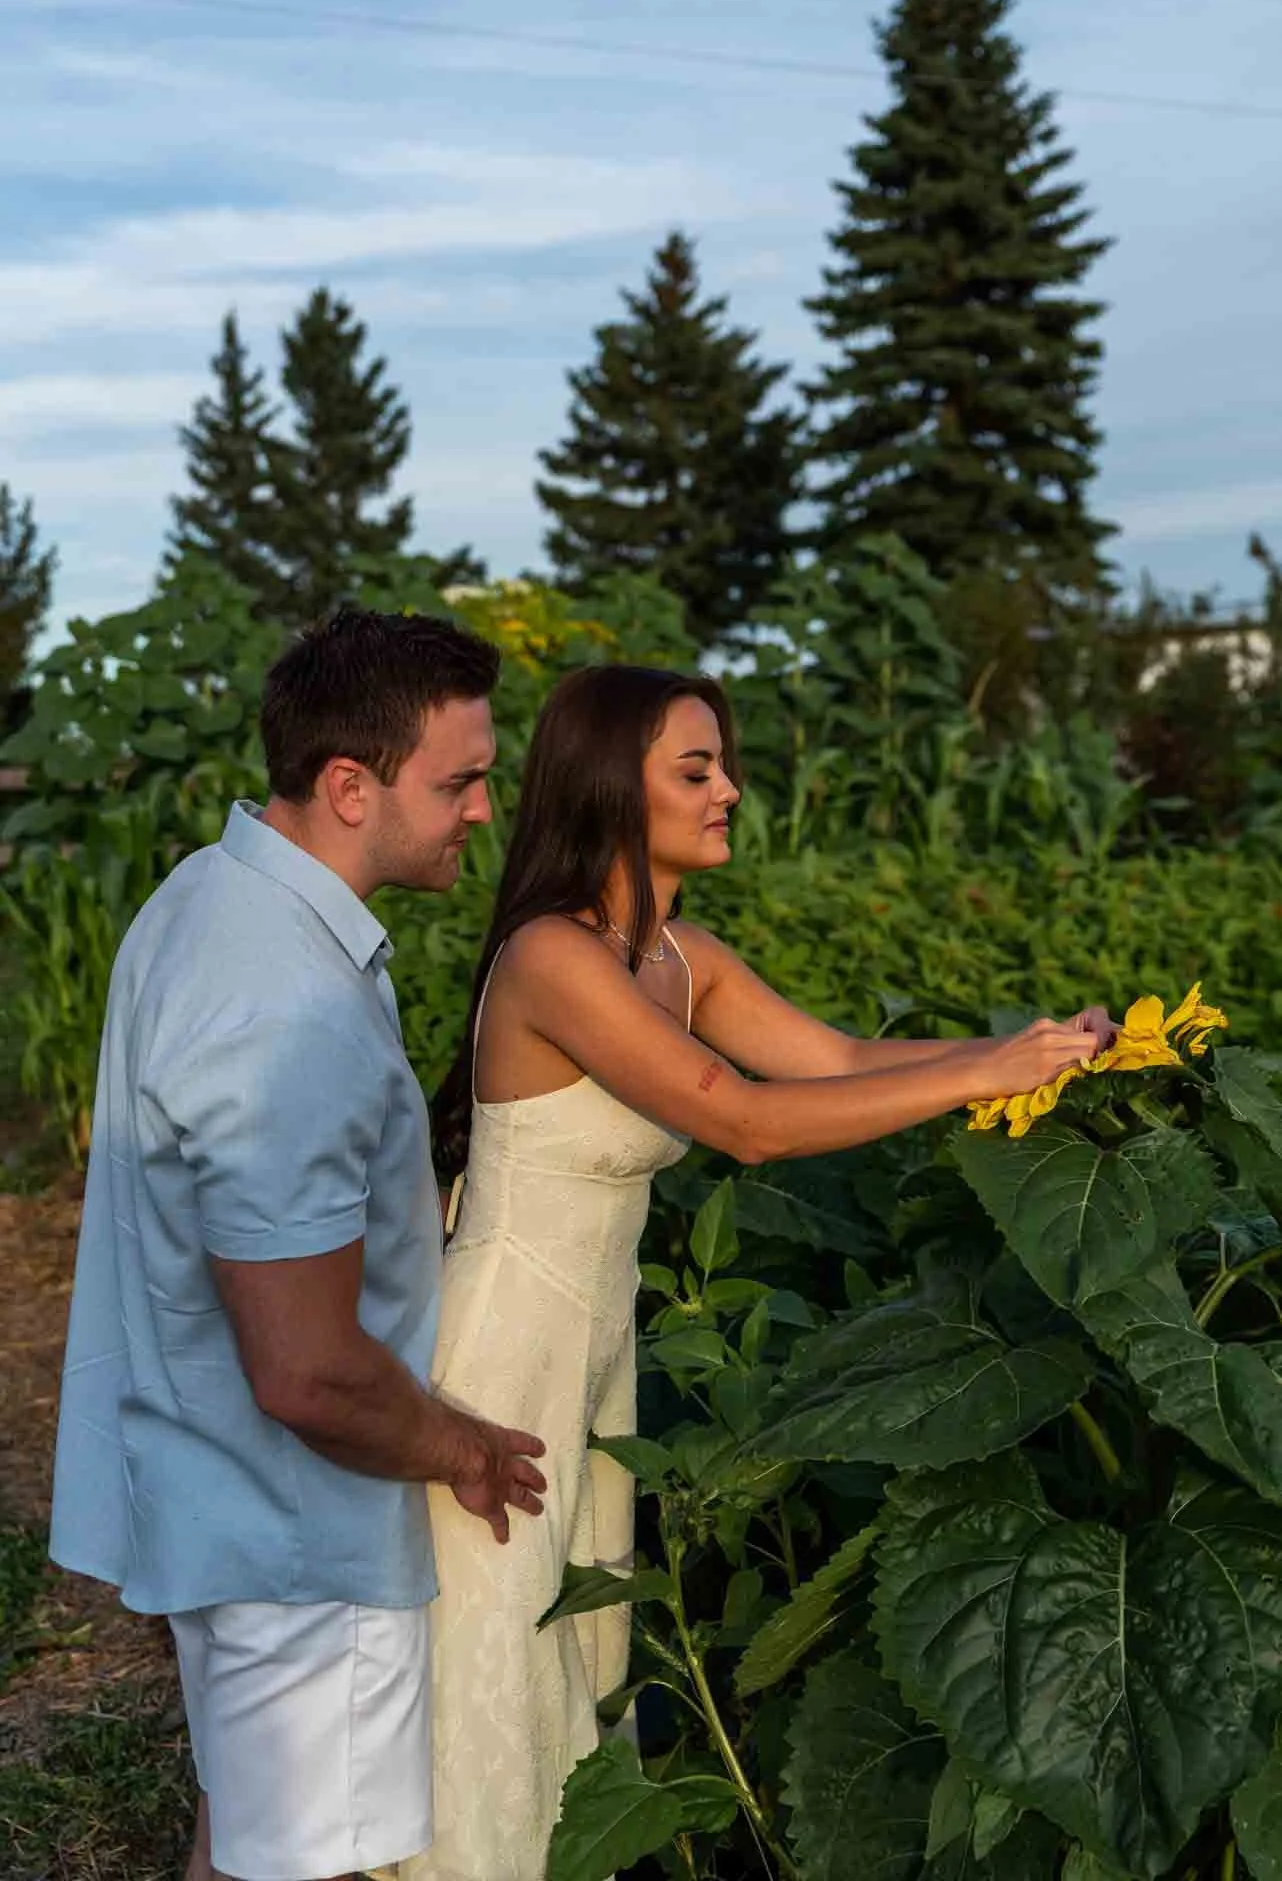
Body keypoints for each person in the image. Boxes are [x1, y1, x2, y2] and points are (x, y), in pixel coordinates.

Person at [382, 664, 1113, 1881]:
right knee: (495, 1679)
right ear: (615, 786)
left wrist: (1042, 1053)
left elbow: (831, 1057)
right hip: (502, 1352)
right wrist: (986, 1080)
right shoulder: (552, 960)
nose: (728, 790)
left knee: (576, 1674)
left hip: (591, 1350)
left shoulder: (678, 955)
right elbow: (749, 1122)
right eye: (695, 769)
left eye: (722, 765)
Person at [48, 607, 547, 1881]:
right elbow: (308, 1371)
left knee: (247, 1846)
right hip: (295, 1538)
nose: (482, 811)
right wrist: (469, 1450)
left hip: (223, 1494)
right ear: (347, 786)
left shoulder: (210, 900)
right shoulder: (288, 1003)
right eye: (459, 781)